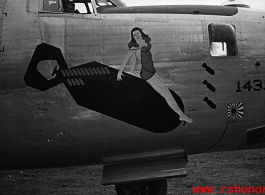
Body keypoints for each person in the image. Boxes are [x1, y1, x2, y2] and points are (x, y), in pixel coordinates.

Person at [117, 27, 193, 124]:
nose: (136, 35)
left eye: (137, 33)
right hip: (147, 73)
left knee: (167, 93)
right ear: (132, 37)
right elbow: (127, 59)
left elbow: (139, 56)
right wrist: (120, 72)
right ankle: (181, 115)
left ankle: (181, 115)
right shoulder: (135, 48)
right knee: (166, 94)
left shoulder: (144, 43)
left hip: (151, 71)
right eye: (134, 34)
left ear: (140, 33)